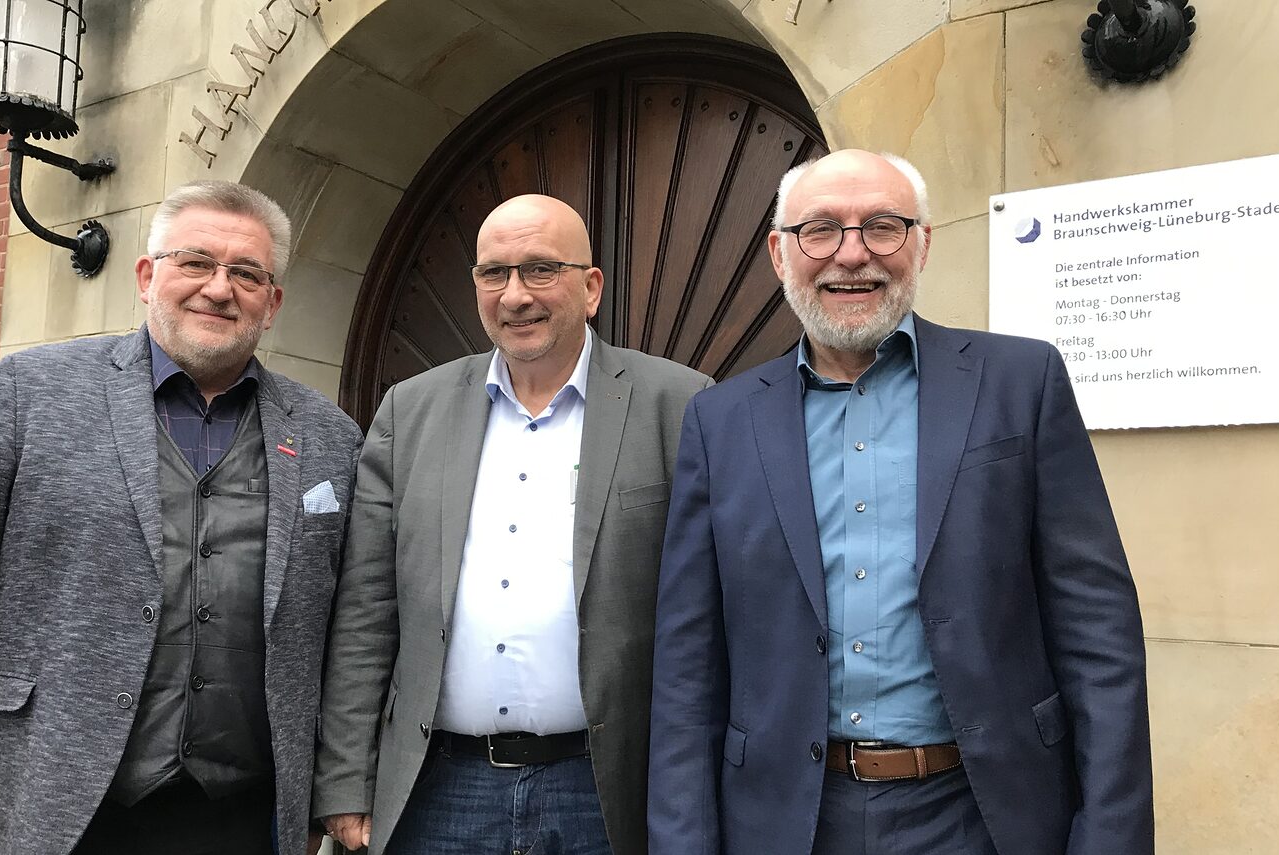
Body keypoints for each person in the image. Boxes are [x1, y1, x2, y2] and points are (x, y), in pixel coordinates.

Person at [648, 150, 1153, 855]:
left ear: (922, 241)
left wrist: (1110, 836)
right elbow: (686, 663)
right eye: (820, 230)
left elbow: (1098, 633)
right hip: (783, 821)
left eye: (882, 226)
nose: (852, 255)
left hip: (980, 814)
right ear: (778, 252)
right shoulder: (720, 420)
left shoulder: (1020, 380)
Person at [0, 180, 361, 855]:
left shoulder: (330, 437)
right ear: (146, 275)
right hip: (52, 804)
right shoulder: (32, 392)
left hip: (244, 820)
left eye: (246, 273)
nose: (219, 289)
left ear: (272, 301)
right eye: (195, 262)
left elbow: (350, 632)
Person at [314, 194, 710, 855]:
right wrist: (346, 781)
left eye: (540, 269)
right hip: (439, 790)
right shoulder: (409, 412)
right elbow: (366, 610)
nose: (515, 294)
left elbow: (709, 618)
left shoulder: (681, 404)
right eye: (493, 273)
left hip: (607, 791)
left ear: (591, 287)